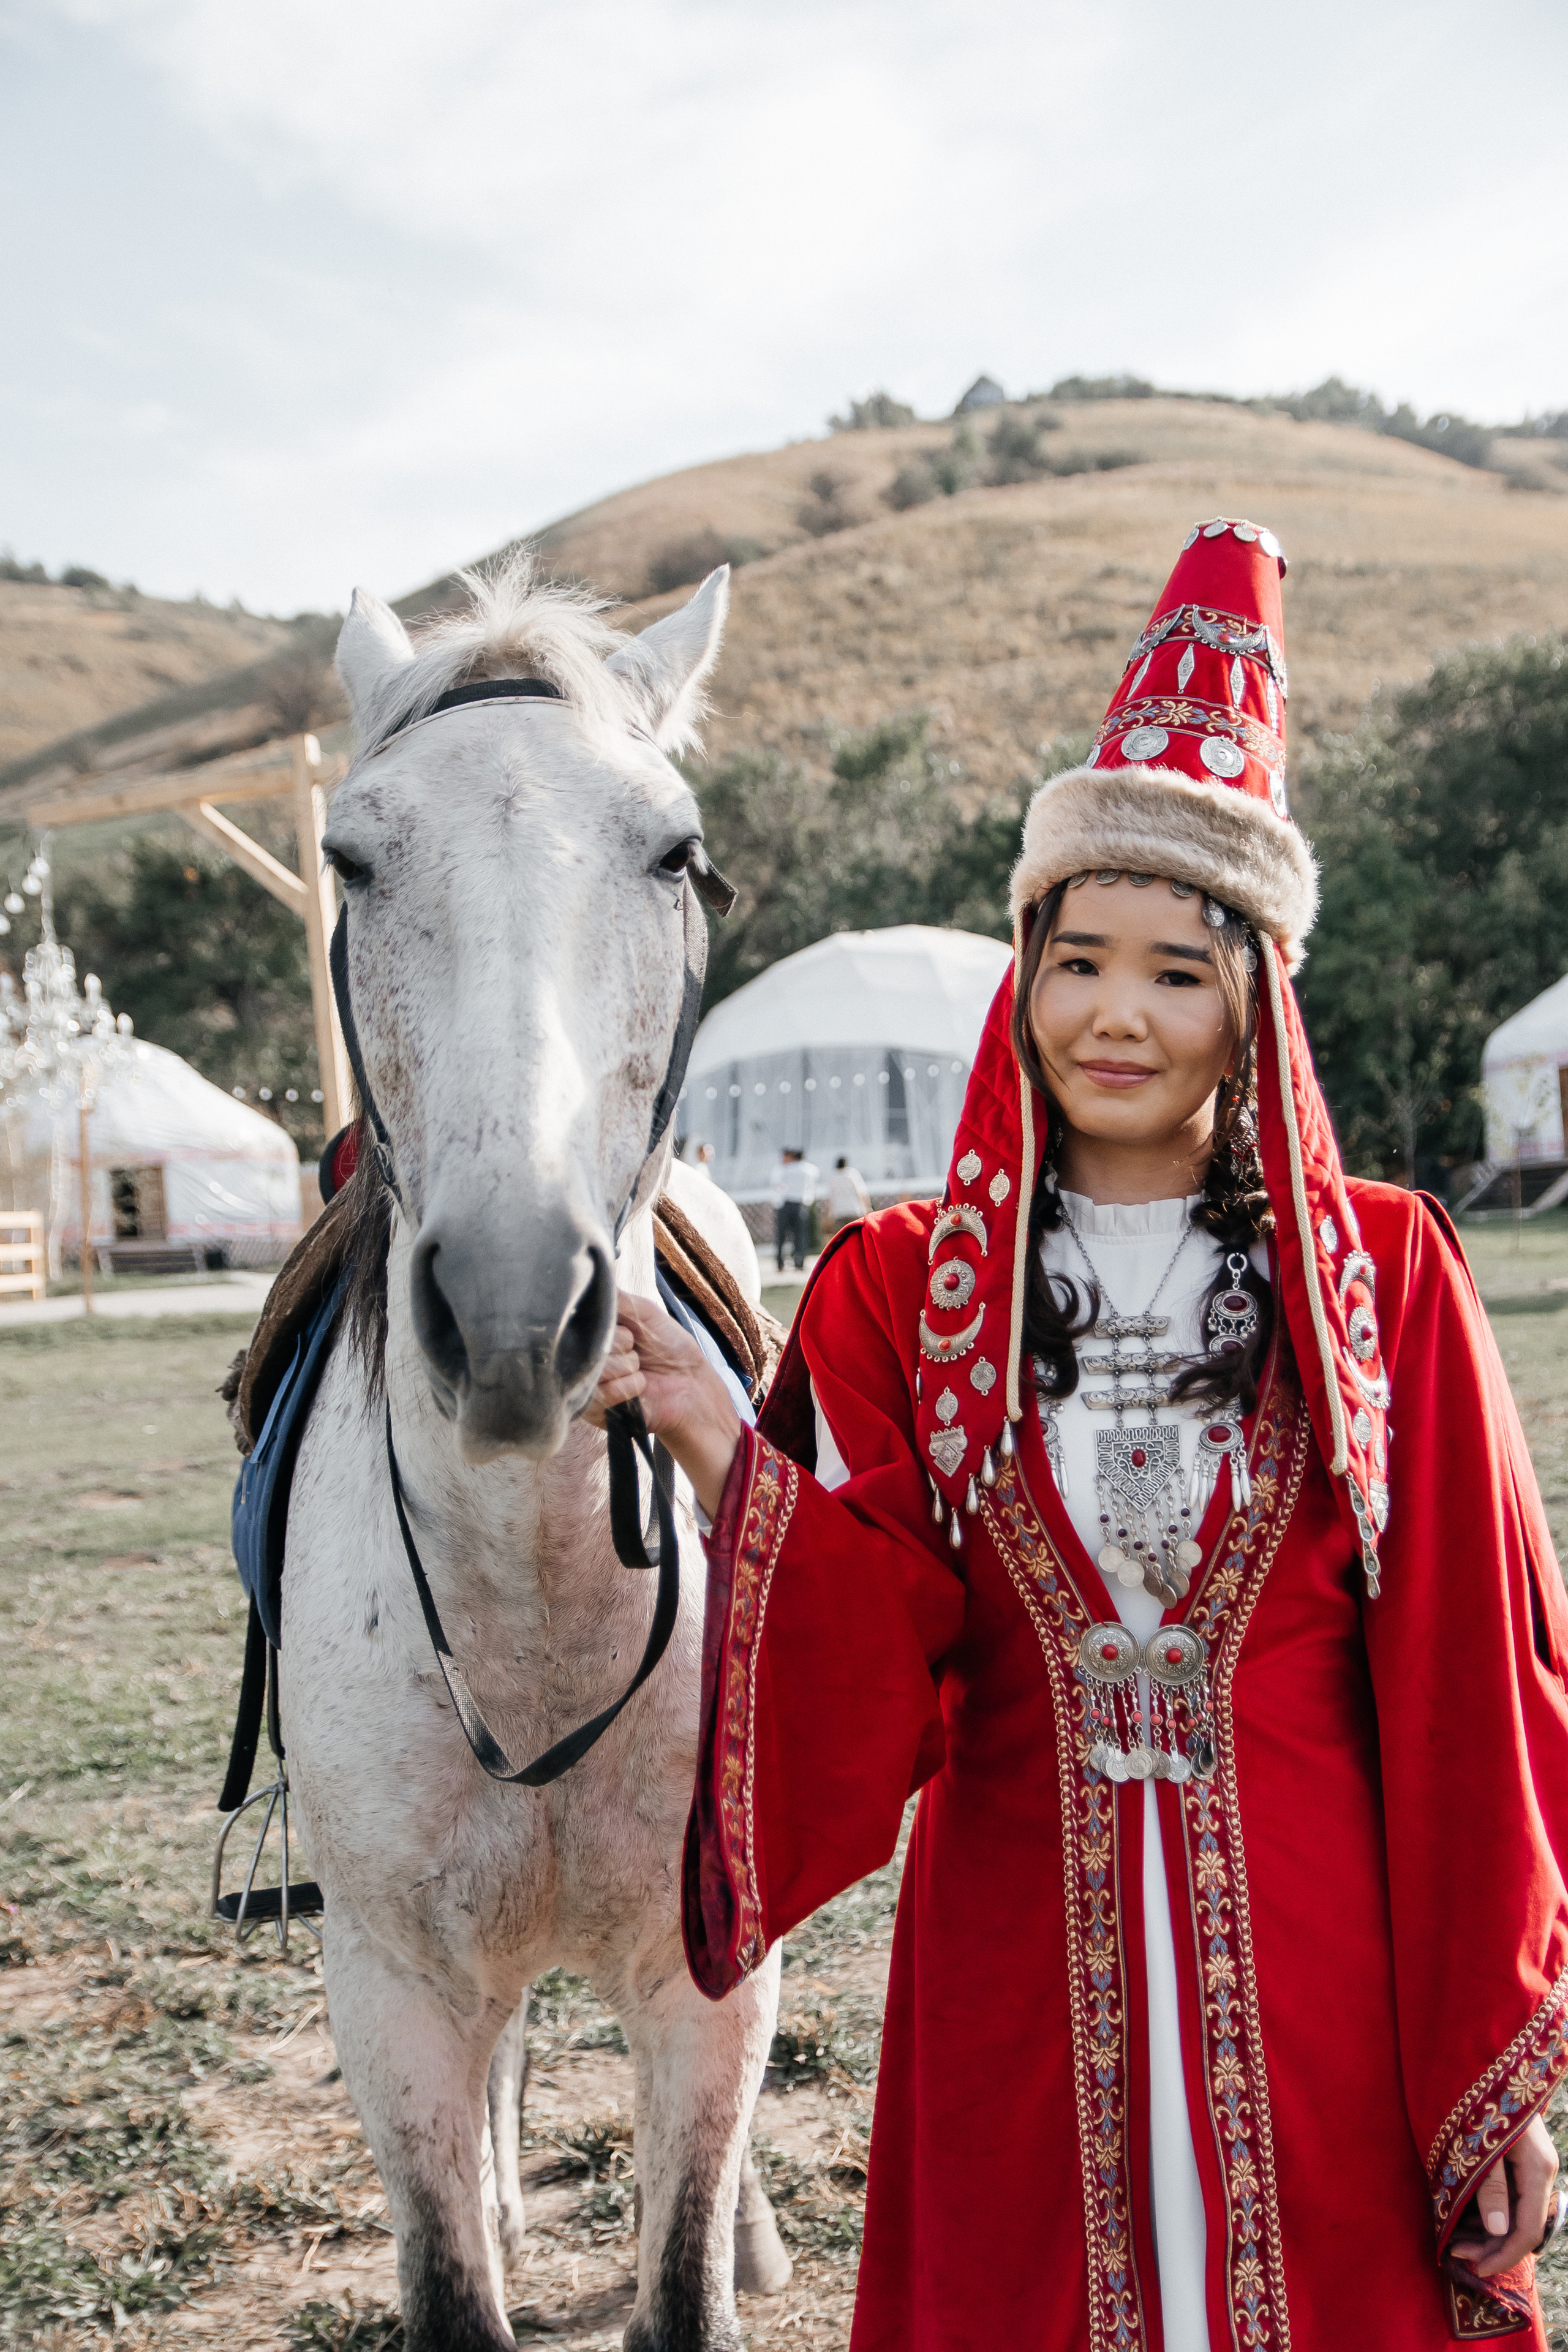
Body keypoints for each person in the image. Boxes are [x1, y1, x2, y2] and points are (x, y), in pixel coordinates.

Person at [592, 520, 1568, 2350]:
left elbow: (1469, 1692)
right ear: (1019, 969)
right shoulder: (898, 1285)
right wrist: (733, 1453)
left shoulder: (1384, 1274)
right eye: (1077, 957)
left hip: (1325, 1970)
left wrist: (1489, 2062)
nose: (1116, 1010)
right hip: (1014, 1975)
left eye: (1177, 971)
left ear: (1252, 1004)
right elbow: (878, 1649)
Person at [773, 1145, 820, 1272]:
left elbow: (778, 1186)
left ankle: (780, 1262)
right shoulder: (810, 1170)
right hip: (800, 1205)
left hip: (786, 1204)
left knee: (781, 1236)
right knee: (800, 1235)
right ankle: (800, 1262)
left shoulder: (785, 1169)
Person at [824, 1153, 872, 1234]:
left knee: (842, 1237)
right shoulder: (852, 1173)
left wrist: (830, 1212)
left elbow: (830, 1197)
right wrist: (867, 1207)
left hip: (839, 1212)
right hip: (854, 1209)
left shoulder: (833, 1176)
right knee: (856, 1235)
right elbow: (861, 1192)